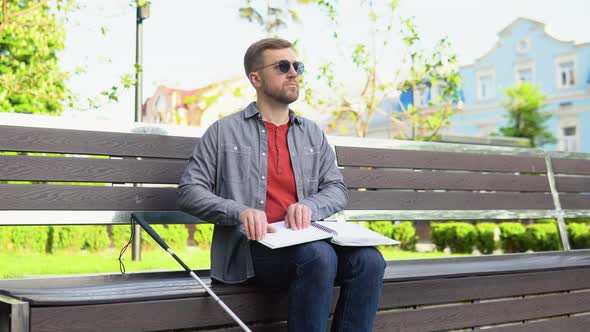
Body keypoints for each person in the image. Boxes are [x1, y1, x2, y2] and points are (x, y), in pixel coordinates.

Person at [177, 38, 385, 332]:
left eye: (297, 66)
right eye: (282, 66)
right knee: (319, 256)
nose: (293, 73)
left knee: (370, 261)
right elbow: (189, 191)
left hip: (308, 243)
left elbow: (336, 189)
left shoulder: (312, 134)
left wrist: (309, 206)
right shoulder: (223, 132)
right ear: (256, 78)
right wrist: (238, 211)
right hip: (252, 249)